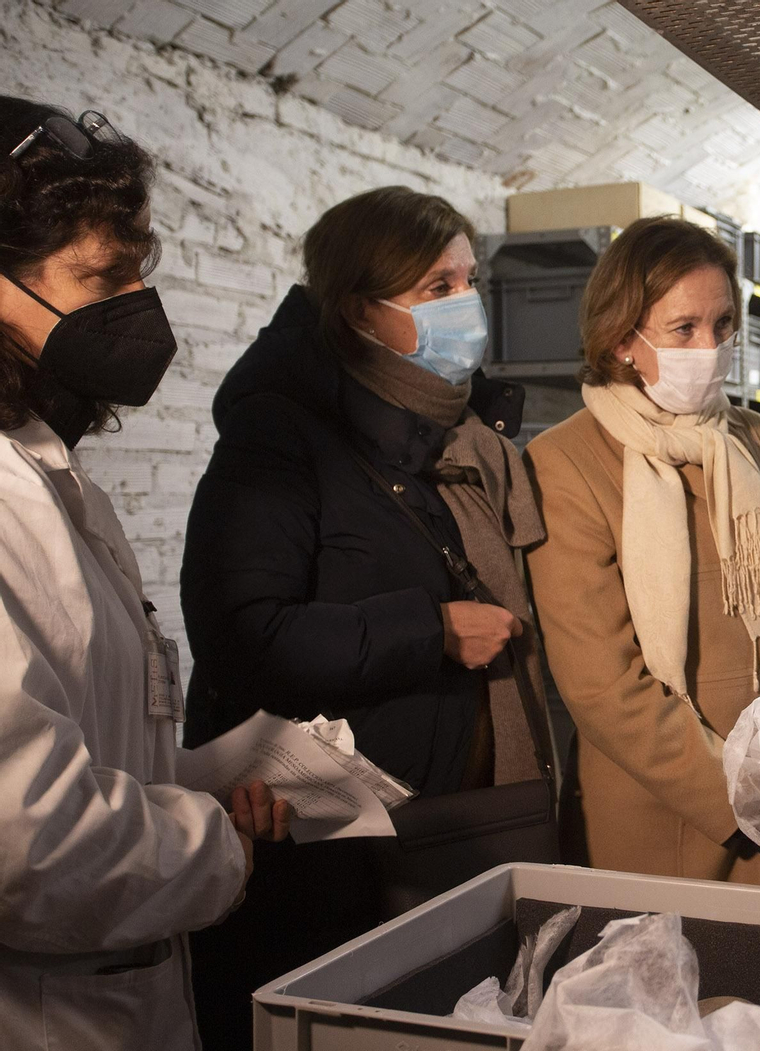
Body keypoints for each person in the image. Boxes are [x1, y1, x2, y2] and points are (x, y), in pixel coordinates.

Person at [181, 186, 547, 1046]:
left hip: (438, 833)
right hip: (332, 861)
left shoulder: (448, 439)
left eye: (469, 280)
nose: (465, 305)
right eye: (435, 287)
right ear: (358, 310)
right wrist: (434, 629)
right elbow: (244, 634)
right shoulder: (280, 438)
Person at [0, 95, 287, 1051]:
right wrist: (215, 844)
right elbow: (29, 844)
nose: (136, 307)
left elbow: (85, 731)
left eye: (138, 273)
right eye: (101, 277)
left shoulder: (50, 476)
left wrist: (192, 786)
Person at [524, 216, 760, 887]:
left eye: (723, 324)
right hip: (669, 807)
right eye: (684, 328)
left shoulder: (757, 440)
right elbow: (602, 685)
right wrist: (745, 799)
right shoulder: (565, 461)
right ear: (622, 339)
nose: (711, 347)